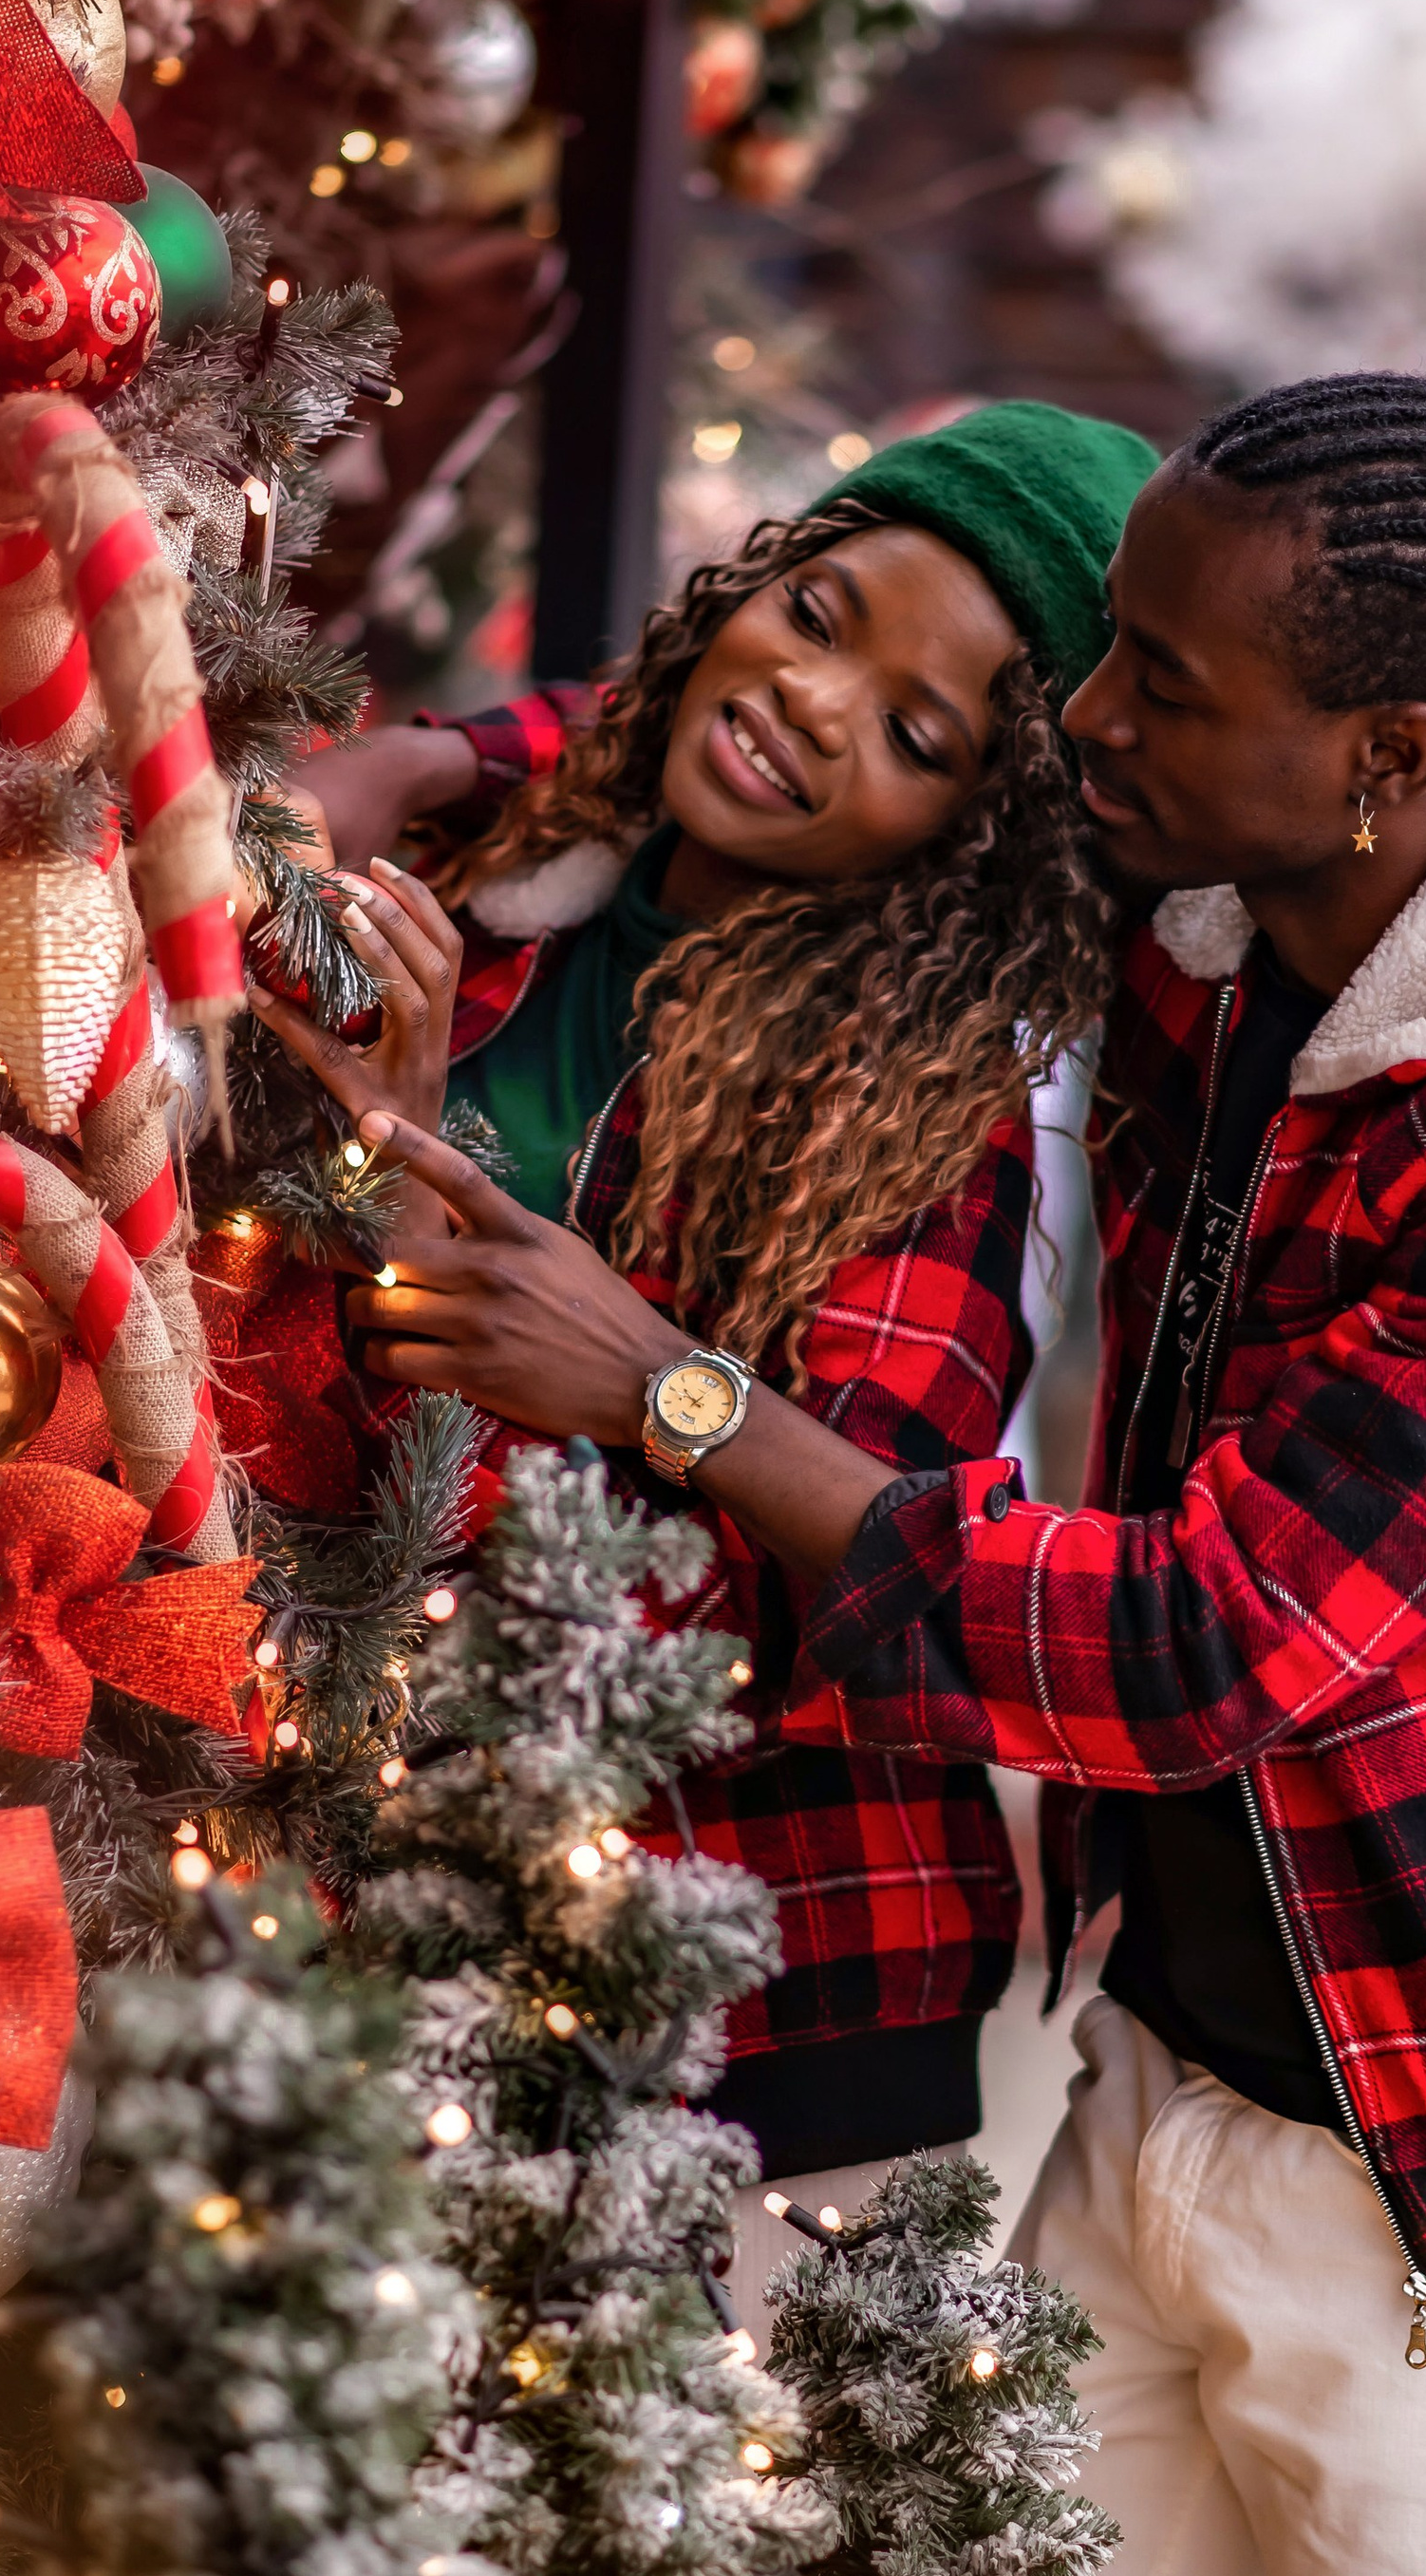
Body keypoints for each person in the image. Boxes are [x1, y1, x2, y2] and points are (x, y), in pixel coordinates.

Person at [346, 371, 1426, 2576]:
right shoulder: (1206, 923)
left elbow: (1203, 1645)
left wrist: (670, 1387)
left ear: (1383, 759)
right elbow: (798, 678)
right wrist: (443, 753)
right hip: (1159, 2063)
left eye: (1150, 678)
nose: (1085, 721)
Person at [259, 402, 1155, 2332]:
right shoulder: (518, 866)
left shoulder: (921, 1118)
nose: (819, 707)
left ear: (975, 834)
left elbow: (859, 1587)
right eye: (817, 615)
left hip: (745, 2012)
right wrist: (415, 751)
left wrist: (595, 1353)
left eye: (918, 738)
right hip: (382, 1922)